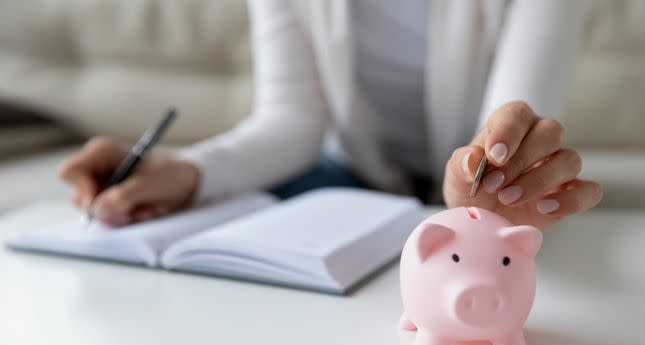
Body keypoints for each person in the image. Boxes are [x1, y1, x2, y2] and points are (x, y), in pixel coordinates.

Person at [59, 0, 602, 230]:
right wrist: (188, 172)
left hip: (472, 189)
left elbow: (515, 116)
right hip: (350, 173)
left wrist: (496, 175)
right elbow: (291, 121)